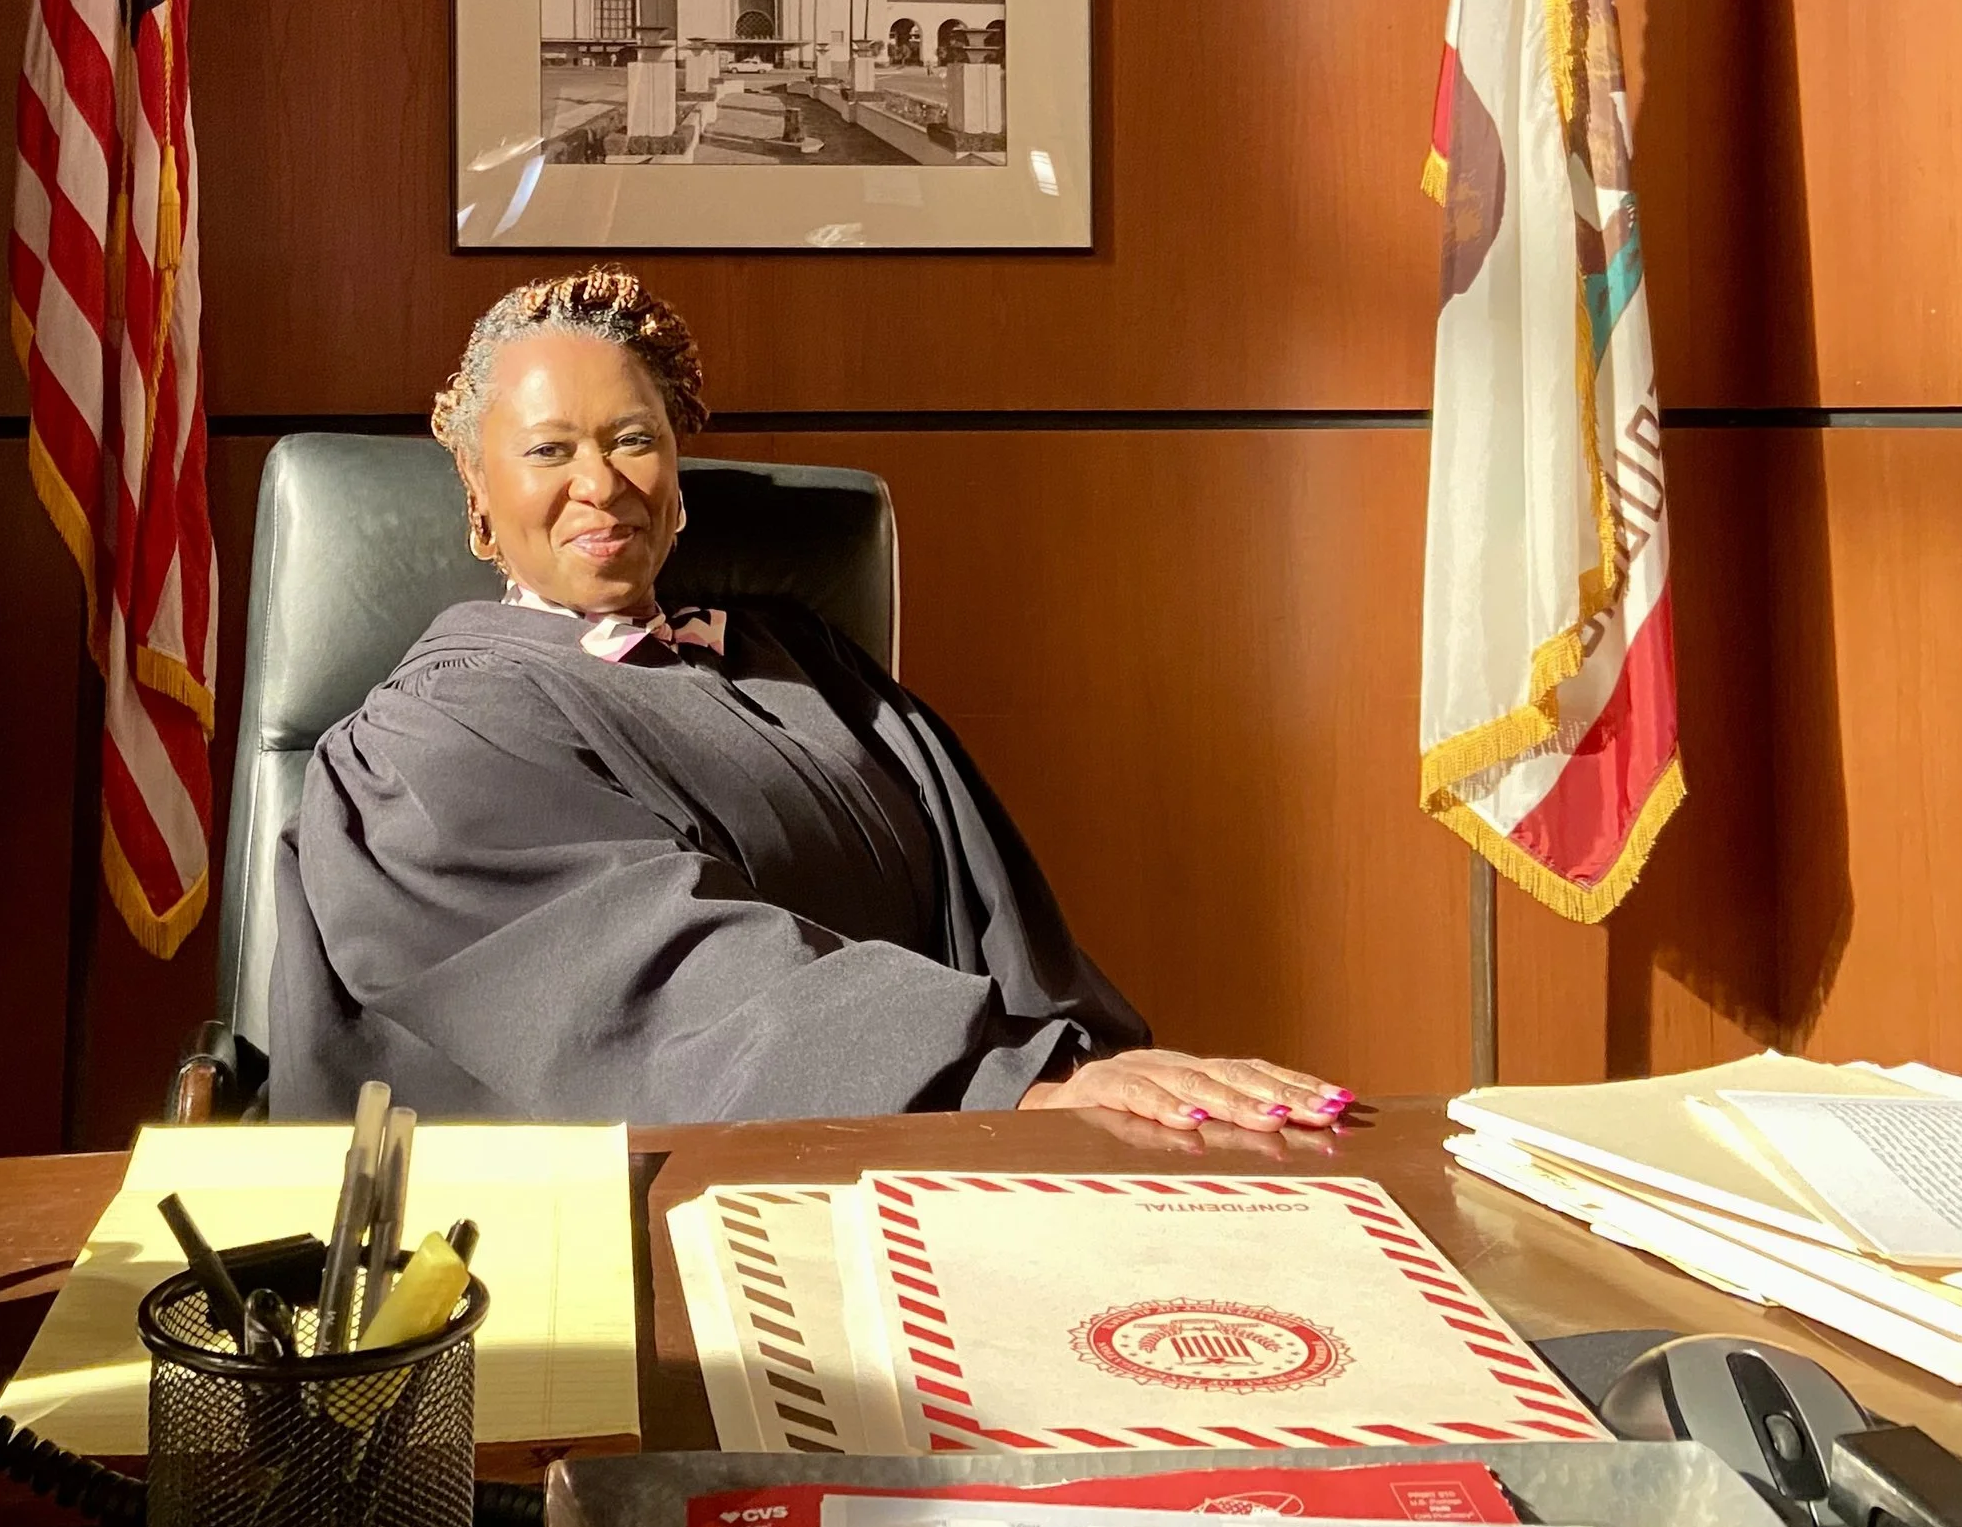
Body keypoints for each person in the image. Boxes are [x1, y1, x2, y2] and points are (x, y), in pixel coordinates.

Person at [271, 267, 1354, 1132]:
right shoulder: (421, 747)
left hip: (919, 1154)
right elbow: (662, 980)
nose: (598, 484)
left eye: (633, 439)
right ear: (478, 491)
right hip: (606, 1227)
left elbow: (991, 921)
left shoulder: (802, 664)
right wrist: (999, 1077)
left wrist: (1089, 1081)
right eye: (548, 451)